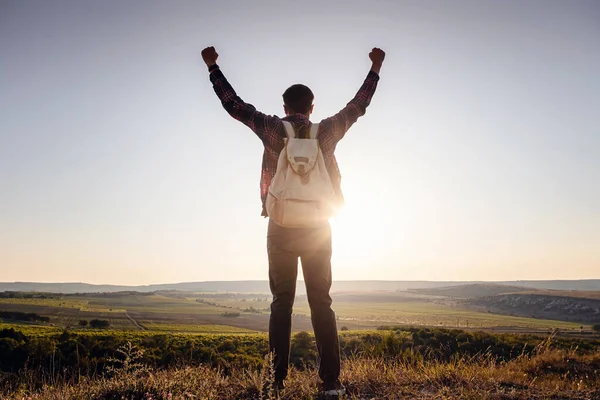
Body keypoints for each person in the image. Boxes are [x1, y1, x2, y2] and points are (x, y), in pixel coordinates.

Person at [201, 45, 384, 396]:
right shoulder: (326, 131)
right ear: (311, 108)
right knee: (322, 302)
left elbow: (234, 105)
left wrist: (213, 67)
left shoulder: (272, 130)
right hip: (318, 228)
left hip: (281, 226)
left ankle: (276, 381)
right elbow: (357, 106)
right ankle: (331, 382)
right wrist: (375, 68)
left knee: (281, 303)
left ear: (285, 108)